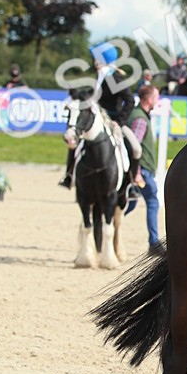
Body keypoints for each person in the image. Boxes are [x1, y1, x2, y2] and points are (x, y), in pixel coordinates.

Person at [59, 43, 138, 189]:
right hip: (97, 120)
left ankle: (131, 184)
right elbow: (92, 94)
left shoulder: (116, 78)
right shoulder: (101, 75)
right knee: (74, 141)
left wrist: (119, 122)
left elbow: (130, 100)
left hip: (113, 120)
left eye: (96, 58)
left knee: (135, 148)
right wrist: (73, 100)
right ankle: (69, 175)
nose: (93, 61)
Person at [125, 84, 161, 252]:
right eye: (156, 97)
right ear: (148, 99)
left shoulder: (139, 115)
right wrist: (137, 173)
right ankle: (154, 243)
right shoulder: (140, 119)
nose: (158, 100)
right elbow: (135, 147)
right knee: (153, 200)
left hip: (141, 170)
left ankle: (106, 225)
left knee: (129, 204)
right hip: (142, 171)